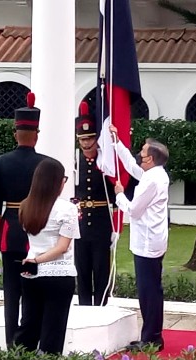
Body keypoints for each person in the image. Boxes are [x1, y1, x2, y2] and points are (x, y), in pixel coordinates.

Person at [0, 92, 49, 348]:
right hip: (39, 233)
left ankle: (11, 342)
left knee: (11, 294)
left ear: (15, 133)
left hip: (10, 233)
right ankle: (30, 342)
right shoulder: (46, 164)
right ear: (36, 134)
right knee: (35, 291)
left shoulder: (0, 163)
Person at [111, 126, 170, 351]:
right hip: (150, 240)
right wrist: (117, 143)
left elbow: (134, 210)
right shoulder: (153, 174)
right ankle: (151, 334)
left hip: (147, 243)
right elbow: (131, 166)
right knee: (149, 289)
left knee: (149, 291)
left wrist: (119, 195)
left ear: (151, 159)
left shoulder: (152, 180)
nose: (140, 156)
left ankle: (152, 337)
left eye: (143, 154)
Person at [15, 158, 80, 354]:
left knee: (29, 325)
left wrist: (34, 261)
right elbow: (62, 247)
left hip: (31, 273)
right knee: (53, 330)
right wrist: (38, 260)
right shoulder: (67, 209)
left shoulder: (25, 206)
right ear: (57, 182)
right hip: (58, 274)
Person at [73, 102, 118, 306]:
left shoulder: (106, 162)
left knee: (101, 269)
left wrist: (116, 227)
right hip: (80, 222)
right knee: (81, 269)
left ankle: (101, 307)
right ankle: (84, 307)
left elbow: (116, 198)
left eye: (90, 138)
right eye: (82, 139)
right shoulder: (74, 162)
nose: (86, 143)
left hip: (101, 221)